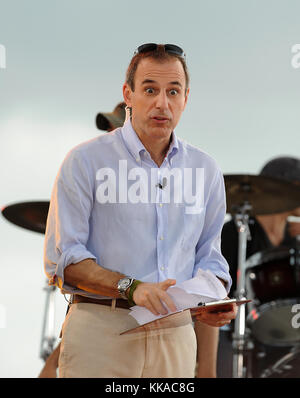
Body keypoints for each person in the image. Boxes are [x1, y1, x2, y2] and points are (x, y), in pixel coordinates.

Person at [44, 43, 237, 378]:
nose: (162, 102)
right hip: (102, 330)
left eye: (172, 91)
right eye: (150, 89)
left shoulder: (206, 169)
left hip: (176, 335)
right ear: (128, 94)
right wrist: (132, 287)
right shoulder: (85, 161)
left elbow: (211, 258)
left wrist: (213, 299)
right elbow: (67, 261)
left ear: (185, 99)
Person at [217, 156, 300, 378]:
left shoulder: (293, 240)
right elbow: (215, 291)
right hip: (233, 333)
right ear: (288, 189)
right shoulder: (236, 232)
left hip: (287, 333)